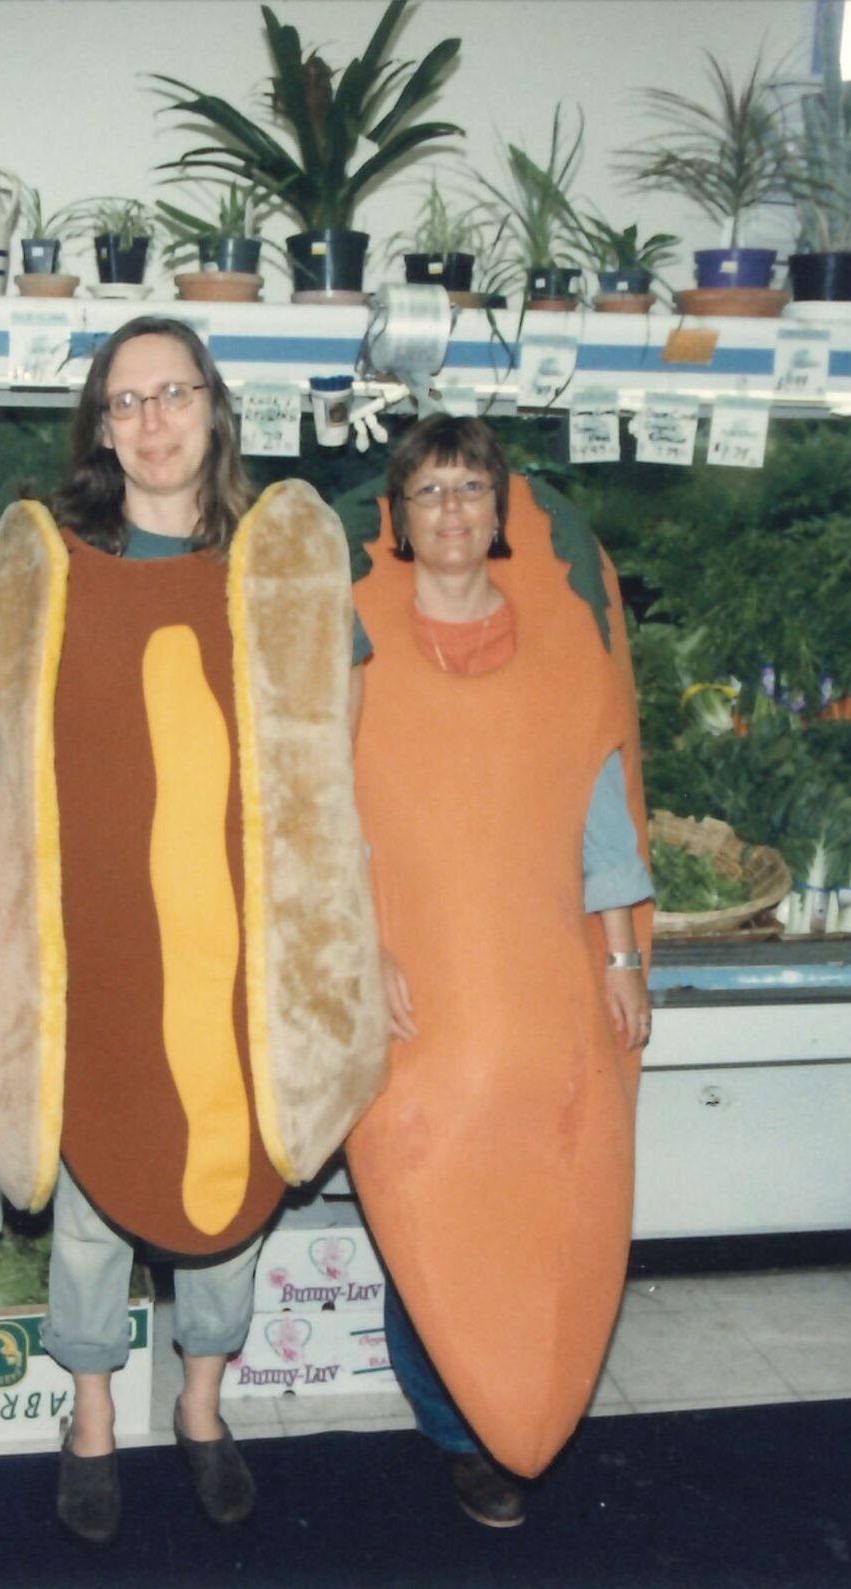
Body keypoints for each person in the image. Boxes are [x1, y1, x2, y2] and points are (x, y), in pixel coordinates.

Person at [0, 317, 386, 1547]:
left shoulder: (282, 570)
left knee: (230, 1181)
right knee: (89, 1194)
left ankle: (200, 1409)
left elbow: (323, 751)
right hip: (92, 948)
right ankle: (91, 1424)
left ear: (212, 408)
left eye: (172, 392)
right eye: (123, 401)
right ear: (98, 426)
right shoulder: (41, 569)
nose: (150, 420)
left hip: (240, 945)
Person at [346, 415, 653, 1528]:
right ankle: (460, 1425)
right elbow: (321, 808)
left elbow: (601, 809)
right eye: (429, 493)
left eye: (472, 489)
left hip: (538, 983)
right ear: (399, 517)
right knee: (427, 1198)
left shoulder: (562, 645)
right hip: (414, 987)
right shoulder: (354, 641)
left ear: (502, 511)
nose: (453, 513)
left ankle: (523, 1396)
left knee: (547, 1184)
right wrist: (355, 945)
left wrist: (619, 952)